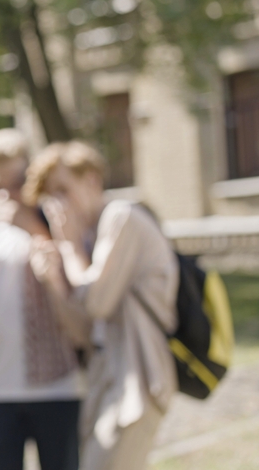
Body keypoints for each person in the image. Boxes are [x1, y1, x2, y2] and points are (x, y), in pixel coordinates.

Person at [24, 141, 178, 470]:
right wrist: (52, 281)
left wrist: (68, 247)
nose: (58, 206)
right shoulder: (92, 235)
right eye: (52, 197)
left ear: (92, 180)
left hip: (136, 383)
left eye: (64, 190)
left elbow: (96, 303)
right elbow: (81, 333)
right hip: (108, 383)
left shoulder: (122, 219)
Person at [0, 129, 85, 470]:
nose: (5, 194)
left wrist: (31, 227)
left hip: (57, 388)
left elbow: (78, 292)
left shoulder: (54, 225)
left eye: (14, 183)